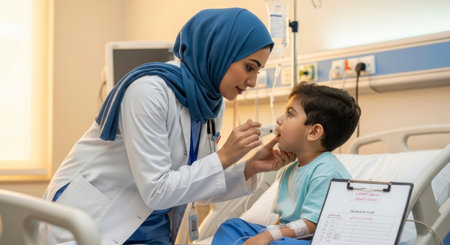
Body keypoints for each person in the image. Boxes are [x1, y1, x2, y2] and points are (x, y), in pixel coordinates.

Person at [40, 8, 295, 245]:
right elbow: (158, 190)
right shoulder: (148, 91)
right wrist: (224, 156)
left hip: (151, 228)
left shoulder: (211, 104)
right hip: (96, 221)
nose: (252, 82)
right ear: (219, 51)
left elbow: (194, 186)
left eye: (258, 72)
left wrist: (249, 168)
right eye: (249, 67)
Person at [212, 82, 361, 245]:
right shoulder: (289, 170)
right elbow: (282, 221)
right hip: (286, 237)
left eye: (290, 114)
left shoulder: (326, 171)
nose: (279, 120)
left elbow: (312, 225)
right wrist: (266, 234)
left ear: (313, 132)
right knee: (232, 227)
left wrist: (268, 236)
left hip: (313, 240)